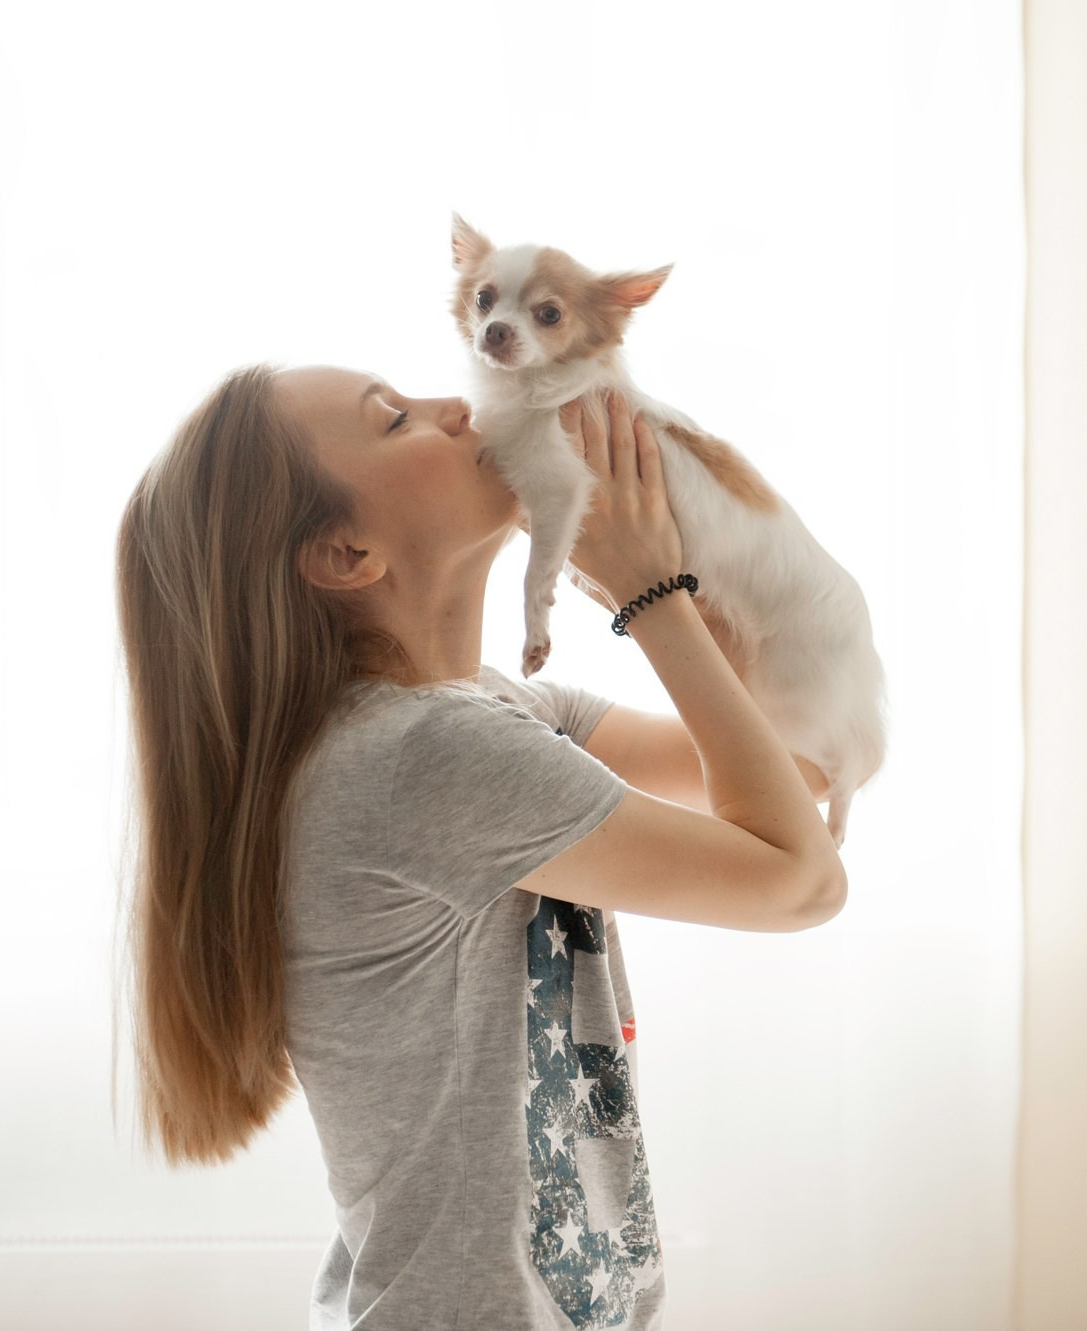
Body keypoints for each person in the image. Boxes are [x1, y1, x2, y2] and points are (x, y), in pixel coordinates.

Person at [112, 362, 847, 1330]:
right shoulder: (421, 757)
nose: (456, 406)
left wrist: (672, 548)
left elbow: (787, 765)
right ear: (344, 550)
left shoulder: (488, 712)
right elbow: (797, 881)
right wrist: (648, 594)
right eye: (394, 419)